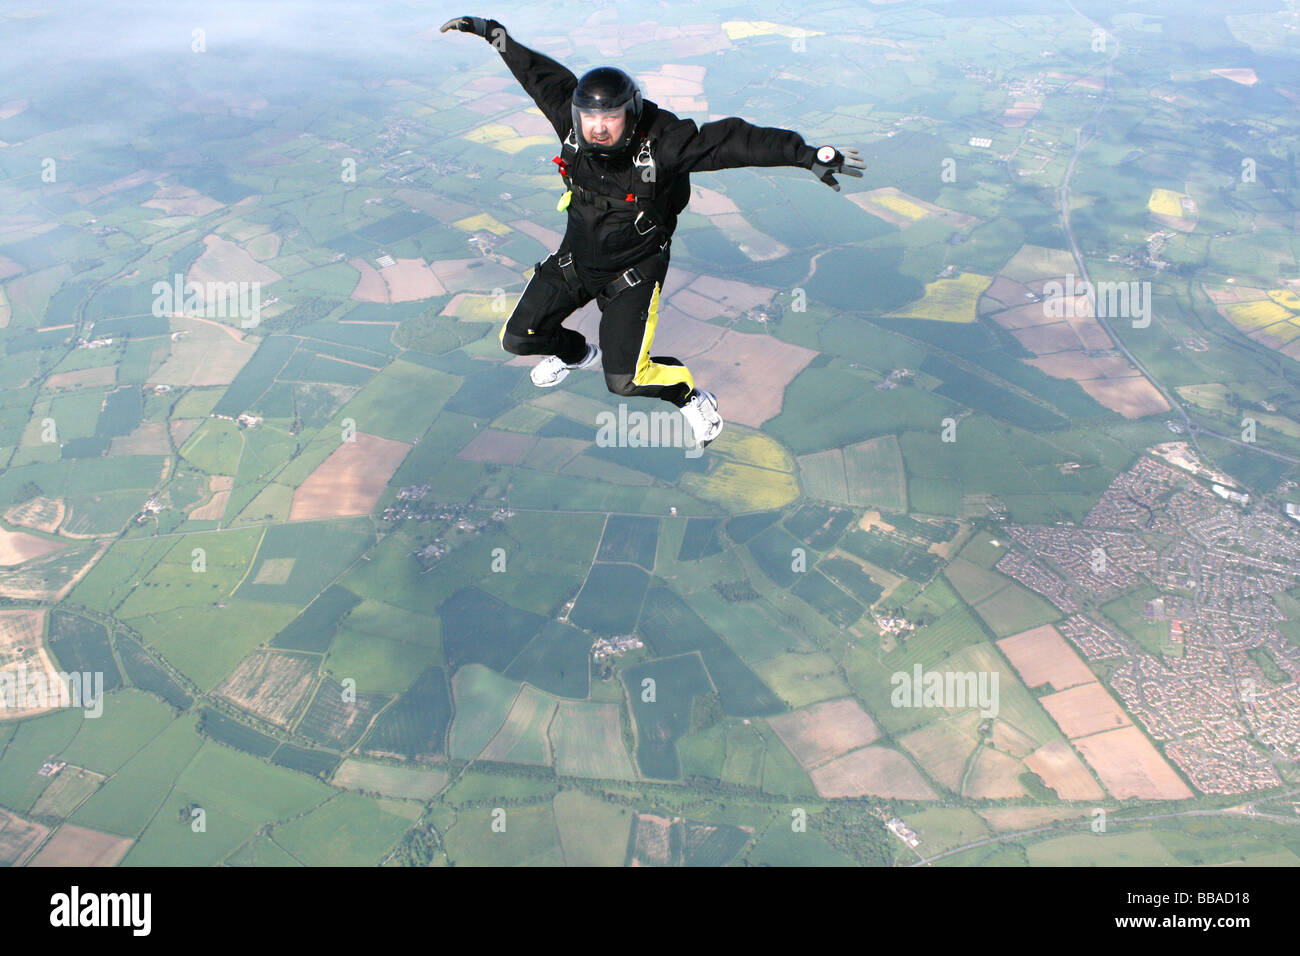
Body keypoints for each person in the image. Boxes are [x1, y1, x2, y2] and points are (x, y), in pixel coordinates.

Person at [440, 16, 863, 448]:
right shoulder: (571, 128)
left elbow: (734, 142)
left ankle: (689, 396)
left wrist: (806, 154)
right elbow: (538, 75)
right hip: (575, 261)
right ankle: (577, 354)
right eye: (590, 118)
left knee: (625, 381)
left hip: (632, 276)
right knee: (518, 338)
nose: (599, 127)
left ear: (632, 113)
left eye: (610, 118)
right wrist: (493, 33)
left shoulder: (664, 143)